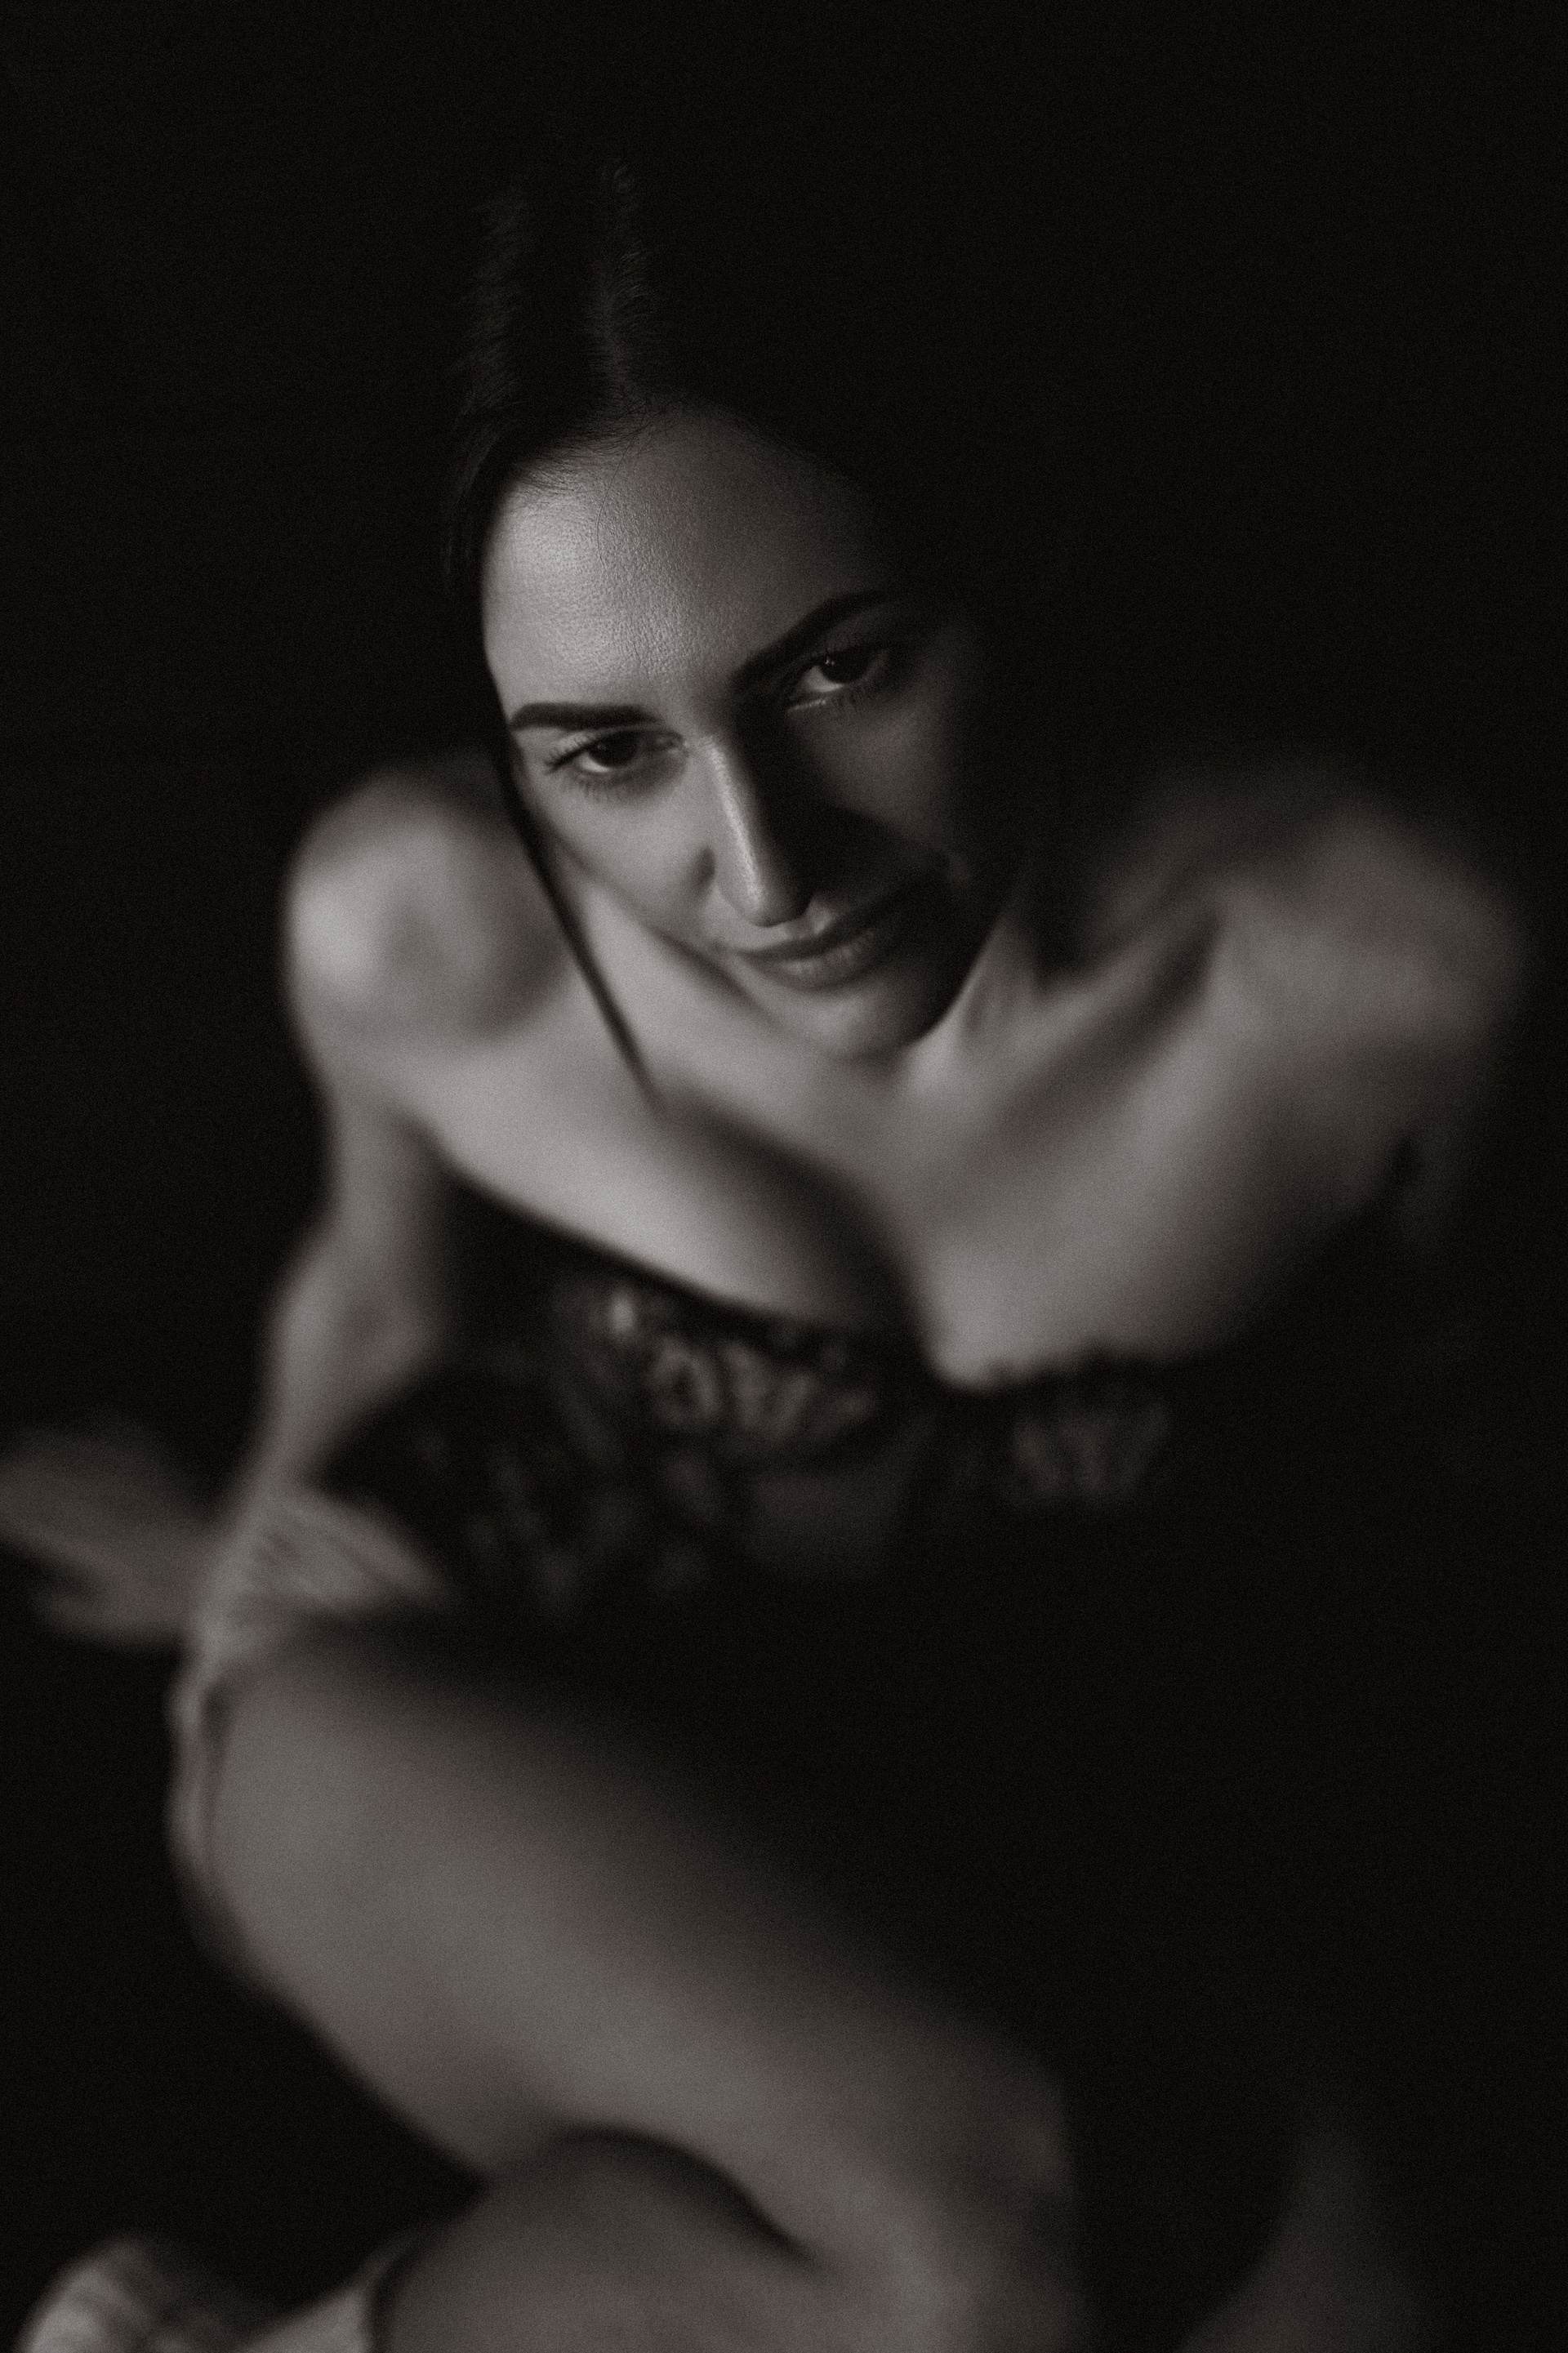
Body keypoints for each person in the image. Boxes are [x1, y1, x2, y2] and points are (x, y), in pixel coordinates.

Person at [8, 82, 1551, 2353]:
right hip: (466, 1664)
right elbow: (378, 1293)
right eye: (603, 750)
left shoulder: (1386, 973)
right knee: (968, 2250)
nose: (764, 869)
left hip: (1010, 1763)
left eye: (841, 668)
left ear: (1007, 561)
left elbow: (1454, 1462)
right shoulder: (426, 921)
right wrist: (226, 1570)